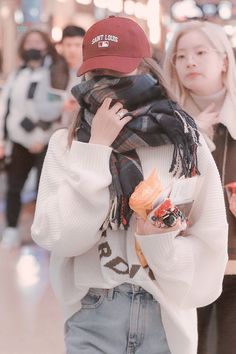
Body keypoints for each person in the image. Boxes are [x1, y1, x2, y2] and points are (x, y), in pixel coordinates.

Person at [31, 17, 228, 354]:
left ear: (147, 70)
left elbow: (209, 242)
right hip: (94, 312)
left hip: (164, 316)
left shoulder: (185, 145)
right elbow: (58, 237)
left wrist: (161, 243)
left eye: (120, 74)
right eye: (98, 75)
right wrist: (95, 151)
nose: (107, 85)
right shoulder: (66, 145)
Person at [163, 20, 236, 354]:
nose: (189, 61)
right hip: (185, 265)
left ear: (224, 60)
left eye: (200, 52)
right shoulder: (163, 121)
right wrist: (191, 134)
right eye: (180, 56)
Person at [0, 29, 66, 248]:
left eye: (38, 41)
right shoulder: (18, 74)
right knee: (14, 187)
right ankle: (10, 229)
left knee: (44, 189)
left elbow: (58, 106)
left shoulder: (55, 71)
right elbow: (6, 106)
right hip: (19, 141)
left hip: (46, 140)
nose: (33, 46)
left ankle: (44, 234)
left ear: (46, 45)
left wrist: (41, 136)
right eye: (29, 42)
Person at [57, 25, 85, 127]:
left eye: (77, 45)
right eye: (68, 45)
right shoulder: (54, 72)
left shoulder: (91, 74)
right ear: (62, 47)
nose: (72, 50)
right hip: (56, 131)